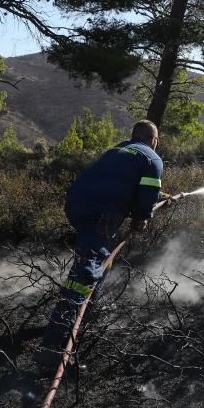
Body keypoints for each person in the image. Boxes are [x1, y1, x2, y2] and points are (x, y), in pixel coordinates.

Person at [38, 119, 164, 361]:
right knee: (84, 275)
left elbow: (114, 181)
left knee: (101, 257)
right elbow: (146, 198)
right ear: (153, 141)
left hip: (76, 205)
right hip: (101, 216)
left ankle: (88, 312)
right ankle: (53, 348)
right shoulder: (152, 159)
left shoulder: (117, 149)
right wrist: (141, 219)